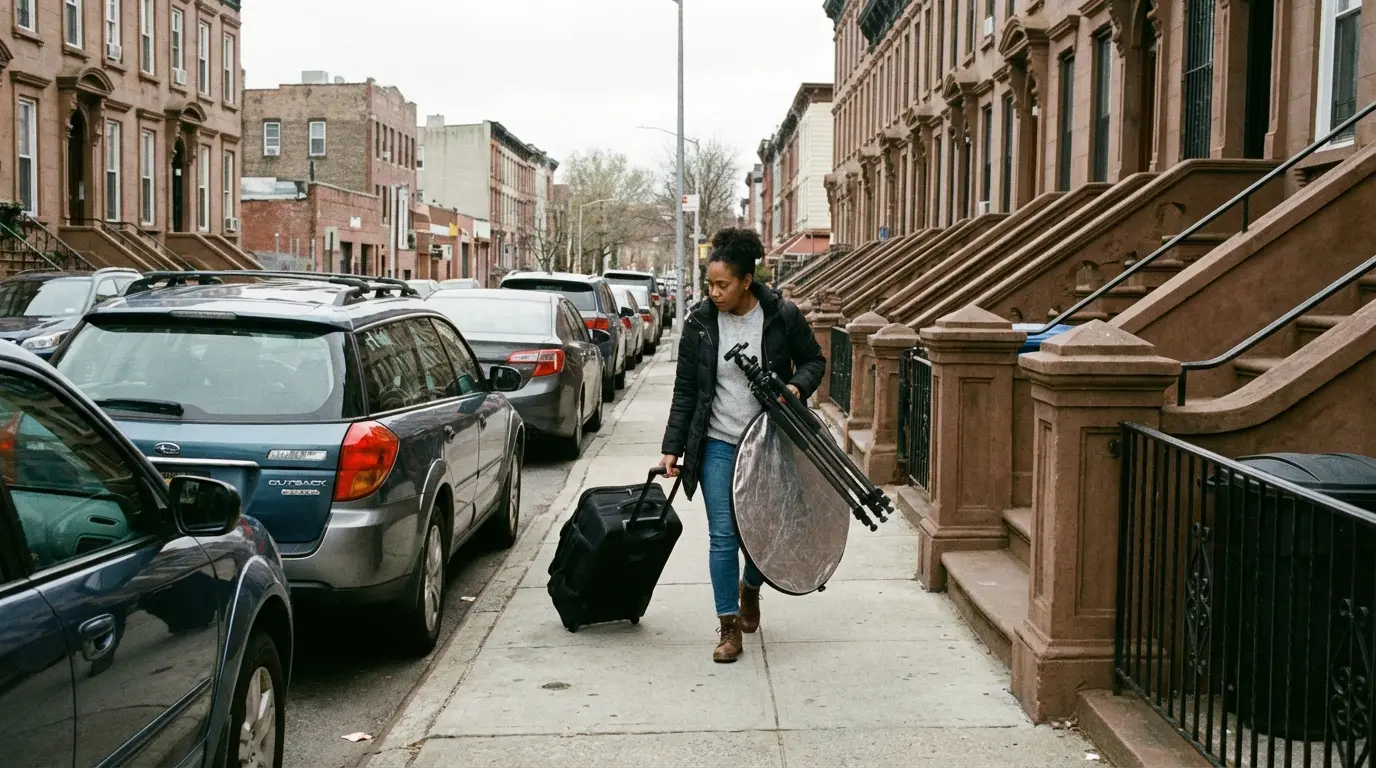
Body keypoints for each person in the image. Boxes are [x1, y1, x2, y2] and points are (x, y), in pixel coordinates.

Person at [658, 227, 827, 663]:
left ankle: (750, 586)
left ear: (746, 281)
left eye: (722, 285)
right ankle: (728, 627)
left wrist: (794, 387)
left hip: (770, 442)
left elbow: (814, 361)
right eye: (709, 284)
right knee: (722, 535)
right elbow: (685, 391)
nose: (713, 293)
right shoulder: (699, 323)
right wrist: (672, 447)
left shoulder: (780, 315)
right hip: (717, 442)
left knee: (762, 533)